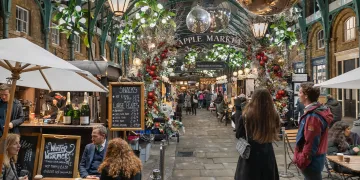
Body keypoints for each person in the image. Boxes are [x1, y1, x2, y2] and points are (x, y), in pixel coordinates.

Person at [234, 88, 280, 180]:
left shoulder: (247, 115)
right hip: (267, 152)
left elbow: (238, 134)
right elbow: (276, 130)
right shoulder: (273, 114)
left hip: (250, 153)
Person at [293, 82, 333, 180]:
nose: (298, 94)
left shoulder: (313, 116)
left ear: (306, 96)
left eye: (300, 92)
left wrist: (303, 160)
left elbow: (311, 142)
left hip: (311, 161)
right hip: (315, 159)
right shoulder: (315, 111)